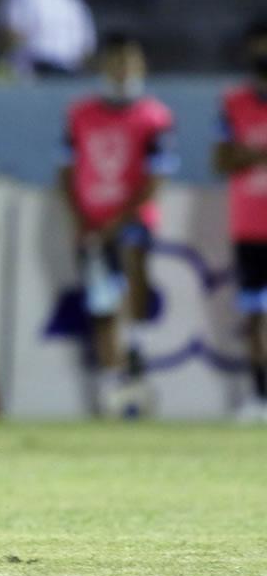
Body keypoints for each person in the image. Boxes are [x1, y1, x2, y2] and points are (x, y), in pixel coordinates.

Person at [59, 33, 176, 417]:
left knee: (133, 281)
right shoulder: (79, 113)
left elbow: (155, 178)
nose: (123, 70)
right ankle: (112, 381)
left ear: (141, 67)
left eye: (130, 62)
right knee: (101, 298)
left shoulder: (155, 116)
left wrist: (116, 220)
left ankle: (137, 355)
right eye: (115, 62)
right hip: (90, 222)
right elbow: (66, 170)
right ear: (102, 67)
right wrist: (83, 219)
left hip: (131, 220)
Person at [213, 20, 267, 422]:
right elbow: (221, 160)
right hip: (249, 225)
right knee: (255, 315)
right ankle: (260, 394)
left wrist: (248, 153)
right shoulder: (233, 102)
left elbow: (236, 156)